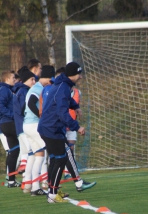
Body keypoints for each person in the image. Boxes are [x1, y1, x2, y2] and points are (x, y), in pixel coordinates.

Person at [38, 61, 96, 204]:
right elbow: (62, 113)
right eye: (79, 74)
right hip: (52, 129)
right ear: (72, 75)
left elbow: (67, 100)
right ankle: (52, 195)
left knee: (56, 159)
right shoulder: (63, 87)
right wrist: (77, 127)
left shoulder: (62, 85)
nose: (80, 77)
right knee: (60, 159)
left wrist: (76, 107)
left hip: (49, 128)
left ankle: (54, 190)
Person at [23, 65, 55, 196]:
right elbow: (31, 103)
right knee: (52, 150)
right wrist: (41, 116)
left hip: (27, 125)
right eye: (51, 79)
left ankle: (34, 187)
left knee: (39, 155)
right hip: (34, 125)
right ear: (47, 78)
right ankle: (51, 183)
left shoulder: (35, 87)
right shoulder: (38, 88)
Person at [13, 66, 36, 190]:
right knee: (34, 154)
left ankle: (26, 183)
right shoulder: (24, 92)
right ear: (26, 80)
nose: (34, 82)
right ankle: (32, 183)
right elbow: (24, 109)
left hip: (20, 128)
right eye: (32, 79)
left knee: (27, 154)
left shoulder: (18, 91)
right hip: (24, 127)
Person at [0, 70, 21, 187]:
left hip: (7, 124)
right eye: (13, 78)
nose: (14, 80)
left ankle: (11, 180)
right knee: (27, 144)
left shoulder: (7, 90)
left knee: (14, 151)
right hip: (9, 123)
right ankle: (30, 176)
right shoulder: (5, 90)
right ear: (7, 80)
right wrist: (13, 115)